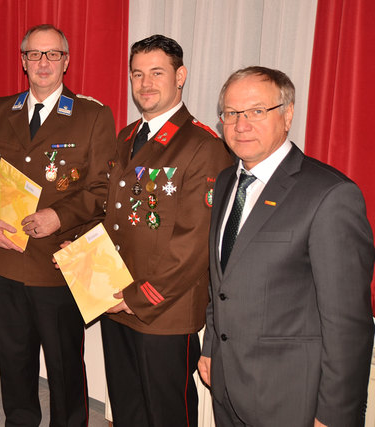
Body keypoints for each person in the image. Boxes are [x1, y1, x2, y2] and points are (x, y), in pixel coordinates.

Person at [198, 66, 375, 427]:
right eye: (231, 113)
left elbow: (348, 325)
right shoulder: (226, 181)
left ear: (288, 114)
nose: (241, 124)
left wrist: (335, 414)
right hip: (228, 385)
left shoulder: (329, 195)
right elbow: (223, 282)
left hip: (291, 399)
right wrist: (211, 348)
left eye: (256, 111)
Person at [0, 24, 116, 426]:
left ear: (67, 61)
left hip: (61, 264)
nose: (44, 62)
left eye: (53, 54)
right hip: (6, 258)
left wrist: (59, 215)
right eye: (35, 54)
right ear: (23, 61)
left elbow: (103, 189)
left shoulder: (92, 115)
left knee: (65, 365)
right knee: (14, 360)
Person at [100, 34, 231, 427]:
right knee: (127, 406)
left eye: (157, 72)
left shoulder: (202, 145)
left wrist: (138, 297)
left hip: (163, 309)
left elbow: (193, 243)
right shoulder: (126, 137)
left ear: (181, 76)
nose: (145, 84)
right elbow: (116, 217)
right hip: (115, 298)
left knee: (166, 412)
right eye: (137, 74)